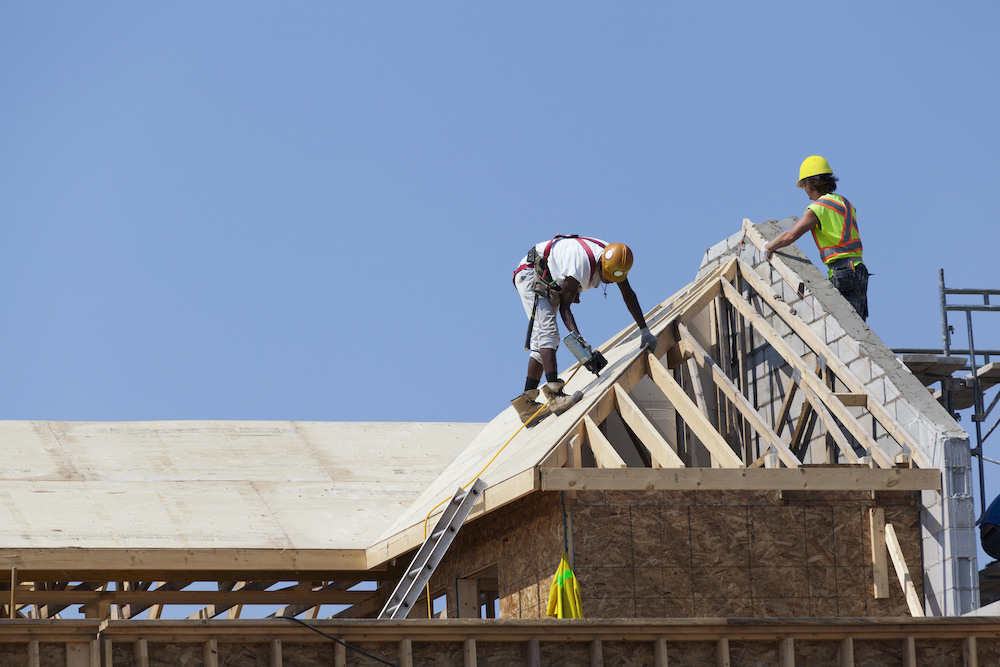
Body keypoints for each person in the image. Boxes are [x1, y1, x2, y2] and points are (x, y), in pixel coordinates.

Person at [510, 235, 658, 426]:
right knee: (548, 334)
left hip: (548, 276)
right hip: (531, 274)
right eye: (608, 279)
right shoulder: (579, 267)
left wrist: (644, 330)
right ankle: (556, 397)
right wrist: (582, 346)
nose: (611, 282)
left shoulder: (614, 258)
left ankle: (526, 406)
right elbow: (565, 309)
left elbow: (628, 294)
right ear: (601, 267)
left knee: (542, 343)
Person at [764, 156, 869, 320]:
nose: (804, 190)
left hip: (843, 270)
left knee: (841, 324)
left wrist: (768, 247)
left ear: (809, 184)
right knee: (857, 324)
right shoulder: (844, 202)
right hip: (859, 269)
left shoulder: (819, 207)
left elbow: (791, 234)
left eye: (804, 186)